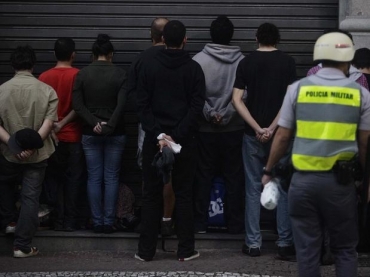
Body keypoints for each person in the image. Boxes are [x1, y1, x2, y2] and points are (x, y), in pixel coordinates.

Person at [262, 32, 370, 277]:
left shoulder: (297, 89)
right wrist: (364, 180)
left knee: (308, 251)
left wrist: (268, 171)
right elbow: (365, 144)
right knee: (344, 249)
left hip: (302, 183)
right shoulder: (361, 94)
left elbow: (282, 136)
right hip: (340, 186)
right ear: (348, 58)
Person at [135, 20, 205, 262]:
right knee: (184, 193)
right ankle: (186, 250)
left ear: (163, 39)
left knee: (151, 195)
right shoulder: (194, 69)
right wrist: (177, 134)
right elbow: (197, 108)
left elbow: (142, 105)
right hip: (185, 141)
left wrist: (160, 135)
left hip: (155, 142)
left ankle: (146, 252)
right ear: (185, 40)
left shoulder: (149, 66)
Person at [232, 22, 296, 260]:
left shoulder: (246, 63)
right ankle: (284, 242)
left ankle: (253, 244)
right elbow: (290, 100)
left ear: (256, 38)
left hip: (252, 136)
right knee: (282, 186)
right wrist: (272, 127)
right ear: (277, 40)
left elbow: (236, 99)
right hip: (280, 136)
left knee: (252, 188)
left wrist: (257, 127)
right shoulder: (288, 62)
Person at [0, 45, 58, 257]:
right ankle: (22, 246)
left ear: (13, 65)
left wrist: (15, 147)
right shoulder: (47, 91)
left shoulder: (1, 90)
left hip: (8, 153)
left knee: (5, 185)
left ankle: (9, 222)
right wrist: (31, 146)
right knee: (30, 197)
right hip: (37, 155)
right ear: (33, 65)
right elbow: (48, 124)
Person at [192, 15, 245, 234]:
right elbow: (245, 94)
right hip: (234, 128)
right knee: (234, 176)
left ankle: (199, 223)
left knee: (203, 175)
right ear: (231, 36)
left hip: (205, 129)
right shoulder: (243, 61)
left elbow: (195, 95)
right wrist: (227, 114)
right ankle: (234, 224)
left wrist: (211, 114)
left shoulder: (197, 60)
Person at [72, 34, 127, 234]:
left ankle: (96, 222)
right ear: (111, 54)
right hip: (115, 133)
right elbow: (122, 105)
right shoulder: (121, 74)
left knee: (94, 177)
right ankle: (108, 221)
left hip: (90, 132)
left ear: (93, 55)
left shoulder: (82, 74)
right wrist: (109, 126)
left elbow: (77, 105)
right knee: (111, 177)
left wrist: (94, 123)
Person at [127, 17, 175, 236]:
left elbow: (132, 95)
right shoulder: (177, 59)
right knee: (168, 172)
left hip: (147, 126)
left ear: (151, 35)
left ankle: (149, 221)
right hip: (172, 126)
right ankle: (167, 219)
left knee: (148, 172)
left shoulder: (141, 60)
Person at [38, 37, 84, 232]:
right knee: (73, 181)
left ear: (54, 54)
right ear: (73, 55)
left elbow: (40, 110)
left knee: (53, 181)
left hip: (50, 139)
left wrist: (52, 129)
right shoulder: (79, 75)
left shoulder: (43, 77)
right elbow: (80, 107)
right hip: (73, 137)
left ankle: (56, 220)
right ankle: (70, 222)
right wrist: (63, 123)